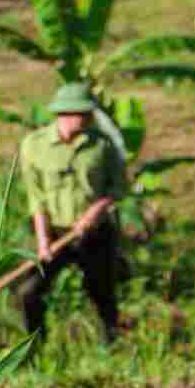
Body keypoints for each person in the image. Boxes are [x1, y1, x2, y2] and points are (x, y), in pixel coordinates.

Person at [16, 82, 126, 343]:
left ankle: (110, 346)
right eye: (84, 114)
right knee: (29, 293)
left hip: (95, 232)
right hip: (55, 233)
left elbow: (118, 188)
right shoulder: (34, 146)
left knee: (101, 292)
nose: (89, 119)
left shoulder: (103, 146)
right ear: (66, 114)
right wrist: (43, 241)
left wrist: (94, 213)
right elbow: (36, 198)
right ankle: (35, 348)